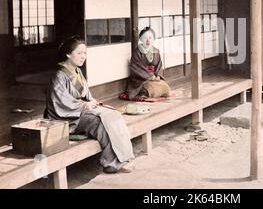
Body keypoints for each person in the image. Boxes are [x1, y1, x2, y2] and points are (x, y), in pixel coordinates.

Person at [45, 36, 134, 174]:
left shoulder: (78, 71)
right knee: (100, 122)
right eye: (79, 53)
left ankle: (123, 158)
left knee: (113, 115)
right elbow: (61, 102)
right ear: (68, 54)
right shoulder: (59, 76)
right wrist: (83, 106)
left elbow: (86, 95)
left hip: (79, 111)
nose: (83, 56)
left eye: (85, 53)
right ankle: (111, 163)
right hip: (67, 117)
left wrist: (92, 102)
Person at [124, 27, 171, 100]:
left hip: (155, 78)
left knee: (166, 90)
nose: (148, 40)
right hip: (141, 79)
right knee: (150, 90)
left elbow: (159, 65)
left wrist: (158, 75)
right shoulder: (137, 52)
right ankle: (143, 92)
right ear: (141, 39)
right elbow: (136, 67)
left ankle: (149, 91)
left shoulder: (156, 51)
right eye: (145, 38)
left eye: (150, 37)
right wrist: (149, 76)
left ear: (153, 39)